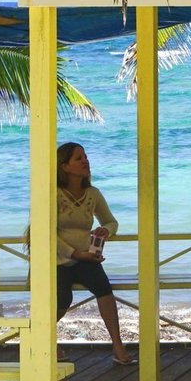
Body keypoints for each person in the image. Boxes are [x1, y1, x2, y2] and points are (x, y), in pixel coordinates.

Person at [53, 141, 132, 366]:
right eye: (78, 158)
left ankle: (118, 346)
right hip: (58, 259)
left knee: (104, 291)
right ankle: (47, 342)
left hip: (87, 258)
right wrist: (75, 254)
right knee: (62, 299)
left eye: (85, 157)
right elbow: (45, 233)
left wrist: (105, 230)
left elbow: (111, 220)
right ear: (64, 166)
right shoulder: (54, 194)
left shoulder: (92, 194)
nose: (85, 161)